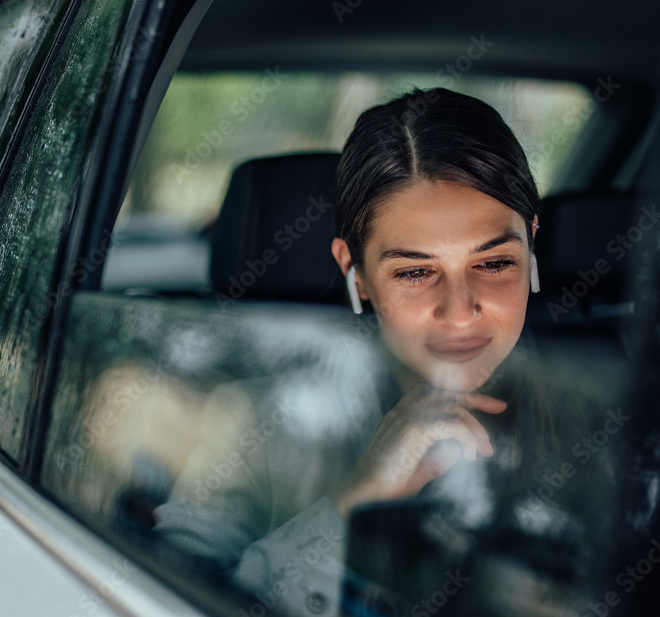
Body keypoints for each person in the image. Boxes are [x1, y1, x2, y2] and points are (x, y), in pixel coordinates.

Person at [153, 88, 613, 616]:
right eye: (416, 272)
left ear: (531, 244)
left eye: (492, 264)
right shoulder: (257, 427)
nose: (460, 311)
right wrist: (354, 502)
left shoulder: (599, 423)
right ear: (356, 272)